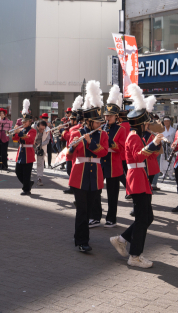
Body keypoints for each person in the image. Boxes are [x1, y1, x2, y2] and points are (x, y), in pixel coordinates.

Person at [110, 84, 161, 268]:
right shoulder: (133, 136)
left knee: (147, 218)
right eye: (146, 123)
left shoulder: (137, 136)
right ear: (141, 124)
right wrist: (154, 143)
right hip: (137, 176)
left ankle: (122, 239)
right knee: (142, 219)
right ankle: (135, 255)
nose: (148, 125)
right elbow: (140, 155)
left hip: (140, 175)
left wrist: (156, 145)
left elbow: (147, 155)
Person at [68, 82, 108, 253]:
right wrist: (72, 146)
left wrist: (91, 143)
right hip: (80, 175)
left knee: (91, 209)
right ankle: (82, 241)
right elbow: (69, 155)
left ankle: (79, 234)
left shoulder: (103, 135)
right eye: (97, 123)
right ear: (89, 122)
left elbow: (104, 152)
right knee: (82, 210)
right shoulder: (76, 133)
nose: (100, 125)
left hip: (95, 176)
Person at [92, 84, 125, 228]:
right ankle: (96, 216)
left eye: (110, 116)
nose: (107, 118)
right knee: (96, 191)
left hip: (113, 163)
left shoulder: (121, 129)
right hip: (101, 163)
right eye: (106, 115)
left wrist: (111, 143)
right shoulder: (101, 128)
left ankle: (111, 218)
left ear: (116, 117)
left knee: (112, 194)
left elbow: (122, 148)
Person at [13, 102, 37, 195]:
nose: (23, 123)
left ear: (30, 122)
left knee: (26, 173)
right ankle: (28, 184)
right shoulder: (21, 130)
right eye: (22, 121)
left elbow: (29, 139)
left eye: (25, 122)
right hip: (21, 152)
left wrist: (19, 132)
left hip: (28, 153)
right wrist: (15, 132)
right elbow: (15, 139)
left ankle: (26, 189)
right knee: (18, 171)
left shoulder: (33, 130)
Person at [61, 96, 84, 195]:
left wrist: (63, 131)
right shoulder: (72, 128)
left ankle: (73, 187)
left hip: (73, 152)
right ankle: (73, 187)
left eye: (71, 119)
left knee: (70, 170)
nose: (70, 121)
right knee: (70, 170)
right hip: (70, 150)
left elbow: (68, 137)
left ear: (75, 120)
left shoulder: (73, 129)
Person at [159, 116, 176, 180]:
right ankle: (164, 173)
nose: (166, 122)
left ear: (170, 122)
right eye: (165, 121)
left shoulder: (173, 130)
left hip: (171, 147)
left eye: (167, 121)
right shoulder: (162, 129)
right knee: (163, 159)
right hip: (164, 147)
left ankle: (171, 174)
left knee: (171, 160)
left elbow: (175, 138)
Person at [33, 120, 49, 186]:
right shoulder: (32, 128)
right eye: (40, 129)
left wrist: (41, 144)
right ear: (37, 126)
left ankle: (39, 178)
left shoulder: (47, 130)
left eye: (43, 129)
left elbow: (47, 140)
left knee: (40, 163)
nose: (42, 130)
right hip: (32, 145)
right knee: (29, 161)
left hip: (41, 146)